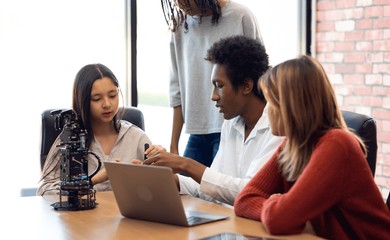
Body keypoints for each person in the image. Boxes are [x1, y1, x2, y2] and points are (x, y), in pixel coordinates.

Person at [234, 55, 390, 240]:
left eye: (271, 103)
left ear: (291, 107)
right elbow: (244, 200)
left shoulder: (337, 144)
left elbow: (280, 220)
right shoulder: (293, 145)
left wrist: (276, 204)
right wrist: (279, 204)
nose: (267, 111)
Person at [141, 35, 283, 206]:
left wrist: (185, 164)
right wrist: (167, 178)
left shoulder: (280, 128)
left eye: (220, 86)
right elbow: (214, 188)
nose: (213, 96)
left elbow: (251, 192)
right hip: (231, 227)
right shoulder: (231, 124)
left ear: (246, 86)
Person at [161, 0, 263, 167]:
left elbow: (260, 74)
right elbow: (176, 89)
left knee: (218, 188)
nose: (178, 4)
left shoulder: (240, 16)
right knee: (181, 187)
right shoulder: (180, 24)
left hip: (234, 129)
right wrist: (173, 145)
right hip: (196, 131)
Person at [37, 63, 152, 195]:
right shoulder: (70, 140)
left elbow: (161, 186)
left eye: (113, 95)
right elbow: (44, 191)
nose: (107, 104)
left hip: (127, 214)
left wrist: (147, 175)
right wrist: (93, 180)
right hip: (83, 216)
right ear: (82, 101)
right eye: (96, 99)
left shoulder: (137, 138)